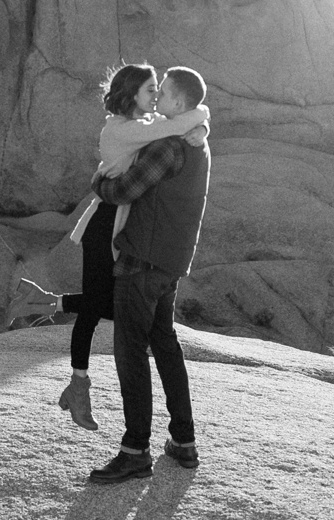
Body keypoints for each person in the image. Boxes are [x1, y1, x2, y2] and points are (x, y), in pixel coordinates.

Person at [6, 64, 208, 431]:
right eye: (151, 90)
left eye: (159, 90)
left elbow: (180, 119)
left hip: (119, 222)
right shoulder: (123, 130)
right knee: (99, 307)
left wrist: (202, 124)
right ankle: (78, 384)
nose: (155, 96)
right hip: (105, 222)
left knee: (113, 304)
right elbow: (177, 124)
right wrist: (201, 119)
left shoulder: (144, 125)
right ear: (132, 95)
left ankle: (44, 303)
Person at [86, 65, 211, 484]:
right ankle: (183, 440)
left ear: (179, 102)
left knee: (131, 353)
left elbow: (123, 191)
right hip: (171, 261)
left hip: (142, 261)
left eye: (164, 93)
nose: (157, 100)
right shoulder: (196, 142)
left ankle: (135, 451)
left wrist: (98, 181)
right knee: (165, 345)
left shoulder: (168, 147)